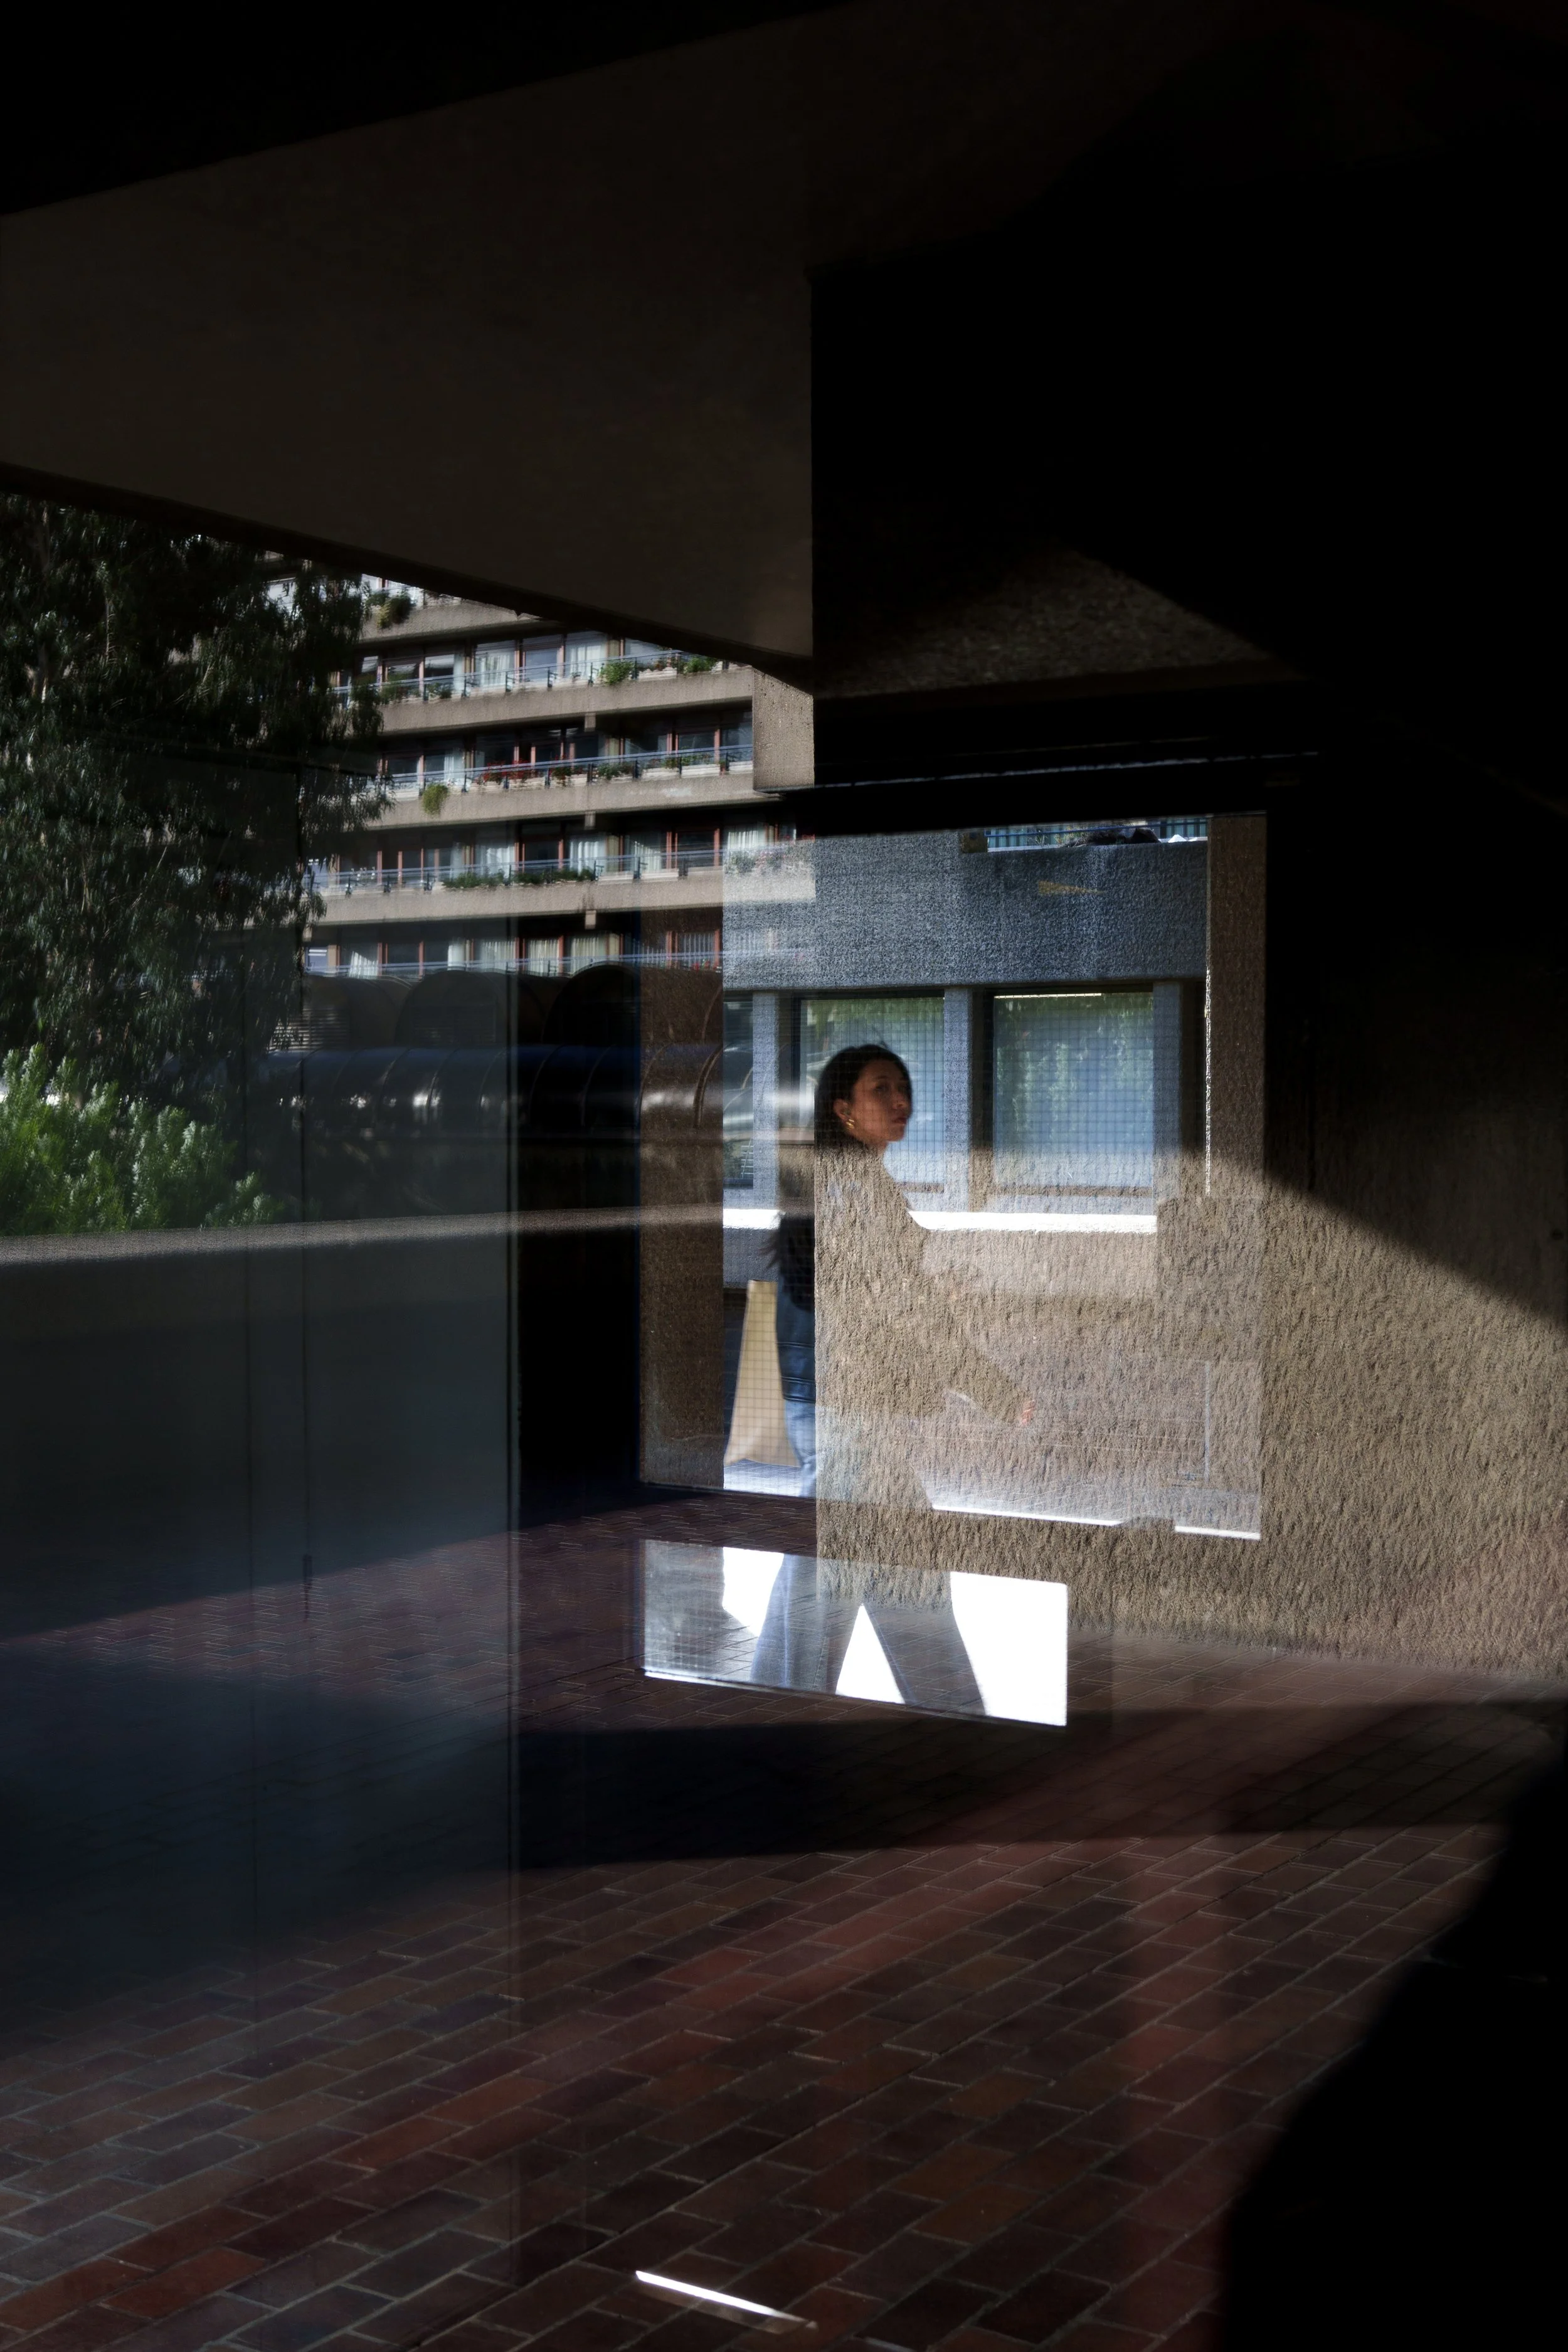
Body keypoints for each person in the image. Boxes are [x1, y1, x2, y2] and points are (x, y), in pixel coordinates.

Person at [812, 1041, 1032, 1513]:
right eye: (882, 1089)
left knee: (860, 1525)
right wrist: (990, 1388)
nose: (901, 1102)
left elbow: (888, 1286)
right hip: (854, 1395)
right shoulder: (853, 1189)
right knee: (860, 1527)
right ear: (844, 1110)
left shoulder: (854, 1182)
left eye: (903, 1088)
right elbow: (900, 1300)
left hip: (848, 1393)